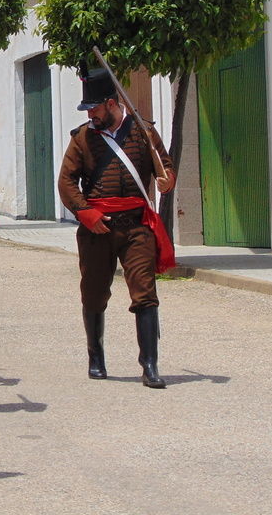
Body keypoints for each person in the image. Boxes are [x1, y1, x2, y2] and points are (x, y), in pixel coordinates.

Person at [57, 68, 175, 388]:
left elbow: (164, 167)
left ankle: (149, 365)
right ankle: (96, 357)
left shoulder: (144, 132)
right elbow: (66, 182)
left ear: (111, 104)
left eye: (94, 108)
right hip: (98, 228)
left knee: (145, 293)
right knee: (94, 295)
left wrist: (166, 180)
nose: (90, 114)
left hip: (137, 227)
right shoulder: (82, 137)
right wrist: (85, 212)